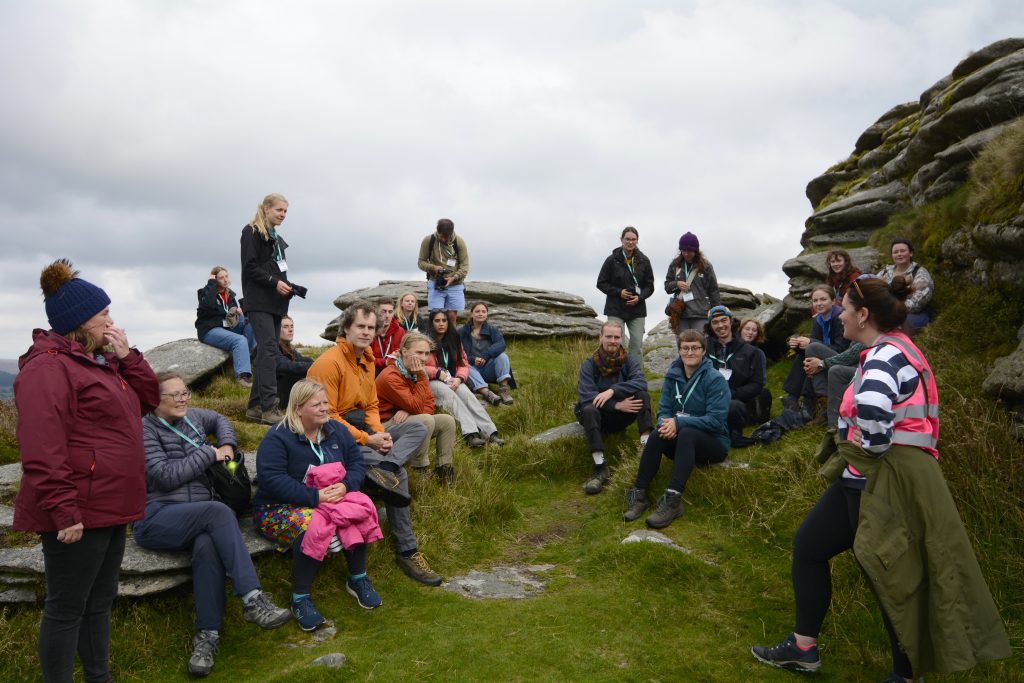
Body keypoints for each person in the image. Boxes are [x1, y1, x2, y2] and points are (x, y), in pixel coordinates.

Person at [751, 275, 1011, 680]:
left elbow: (873, 412)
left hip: (878, 476)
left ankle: (904, 674)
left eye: (845, 309)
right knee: (810, 545)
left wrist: (867, 447)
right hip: (866, 475)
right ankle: (803, 648)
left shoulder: (882, 357)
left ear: (863, 315)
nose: (840, 316)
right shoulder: (898, 347)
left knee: (885, 571)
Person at [13, 259, 160, 683]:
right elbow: (42, 448)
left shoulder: (99, 363)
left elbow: (148, 400)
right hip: (78, 509)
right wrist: (64, 511)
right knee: (66, 608)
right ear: (79, 321)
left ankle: (99, 677)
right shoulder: (48, 368)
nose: (111, 322)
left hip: (110, 504)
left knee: (99, 601)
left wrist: (128, 357)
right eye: (103, 315)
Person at [134, 373, 290, 676]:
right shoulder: (144, 430)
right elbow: (165, 476)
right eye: (174, 395)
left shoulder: (193, 418)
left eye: (185, 392)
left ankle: (207, 636)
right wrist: (208, 453)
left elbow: (219, 419)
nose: (182, 399)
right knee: (218, 512)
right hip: (158, 517)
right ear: (154, 399)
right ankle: (252, 598)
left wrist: (227, 444)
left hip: (197, 518)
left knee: (206, 546)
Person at [306, 300, 443, 586]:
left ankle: (385, 466)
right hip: (332, 439)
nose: (367, 332)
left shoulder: (367, 359)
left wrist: (380, 435)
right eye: (360, 326)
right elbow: (327, 418)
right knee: (400, 475)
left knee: (418, 427)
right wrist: (368, 439)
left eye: (371, 327)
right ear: (346, 328)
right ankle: (407, 551)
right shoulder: (329, 363)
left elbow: (370, 405)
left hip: (362, 431)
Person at [254, 380, 385, 632]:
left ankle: (358, 579)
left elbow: (357, 464)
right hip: (278, 507)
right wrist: (315, 497)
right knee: (312, 524)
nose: (325, 408)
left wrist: (346, 486)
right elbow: (272, 480)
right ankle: (300, 598)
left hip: (331, 499)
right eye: (317, 405)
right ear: (298, 408)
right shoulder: (278, 437)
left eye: (326, 402)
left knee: (360, 509)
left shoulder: (336, 430)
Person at [623, 330, 730, 528]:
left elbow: (716, 421)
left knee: (687, 433)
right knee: (657, 434)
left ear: (703, 351)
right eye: (685, 348)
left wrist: (679, 423)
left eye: (695, 348)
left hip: (713, 443)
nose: (690, 352)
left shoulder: (715, 379)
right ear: (679, 351)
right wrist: (666, 424)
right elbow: (664, 410)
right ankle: (639, 495)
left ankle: (673, 501)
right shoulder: (672, 376)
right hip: (681, 441)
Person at [575, 320, 653, 494]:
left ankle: (645, 449)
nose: (613, 341)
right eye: (608, 336)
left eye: (616, 337)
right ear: (600, 337)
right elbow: (587, 397)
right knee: (588, 409)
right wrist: (616, 405)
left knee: (642, 395)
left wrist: (612, 391)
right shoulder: (589, 365)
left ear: (621, 339)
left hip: (622, 416)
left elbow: (641, 382)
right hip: (599, 418)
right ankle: (600, 467)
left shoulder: (629, 361)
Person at [376, 332, 459, 484]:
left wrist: (409, 411)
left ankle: (444, 469)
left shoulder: (417, 373)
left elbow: (429, 404)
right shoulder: (391, 376)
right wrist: (421, 379)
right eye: (419, 352)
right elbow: (416, 406)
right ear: (404, 351)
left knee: (447, 421)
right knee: (425, 420)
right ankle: (419, 468)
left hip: (405, 421)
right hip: (384, 427)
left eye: (427, 353)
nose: (423, 358)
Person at [241, 192, 294, 424]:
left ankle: (255, 406)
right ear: (266, 209)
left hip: (275, 303)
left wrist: (288, 287)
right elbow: (249, 267)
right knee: (269, 350)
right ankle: (270, 407)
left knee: (267, 351)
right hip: (258, 302)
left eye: (285, 211)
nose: (283, 214)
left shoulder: (276, 238)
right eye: (279, 210)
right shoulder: (251, 231)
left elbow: (278, 270)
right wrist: (274, 282)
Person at [424, 308, 504, 448]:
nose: (441, 324)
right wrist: (436, 373)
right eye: (437, 321)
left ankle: (491, 433)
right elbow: (417, 365)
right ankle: (471, 434)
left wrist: (459, 379)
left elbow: (463, 363)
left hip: (453, 378)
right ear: (431, 323)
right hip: (432, 381)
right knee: (450, 395)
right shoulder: (424, 341)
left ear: (448, 322)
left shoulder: (454, 338)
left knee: (468, 396)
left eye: (444, 320)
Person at [782, 285, 851, 424]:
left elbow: (841, 349)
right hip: (824, 355)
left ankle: (812, 401)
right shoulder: (818, 319)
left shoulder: (840, 318)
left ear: (833, 301)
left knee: (812, 348)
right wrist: (798, 346)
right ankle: (793, 399)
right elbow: (812, 347)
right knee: (802, 356)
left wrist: (810, 342)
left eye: (823, 299)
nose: (819, 303)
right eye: (815, 300)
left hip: (842, 359)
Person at [705, 306, 770, 437]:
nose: (720, 325)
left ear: (731, 321)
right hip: (710, 399)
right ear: (710, 326)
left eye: (724, 320)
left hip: (737, 400)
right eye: (715, 322)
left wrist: (732, 393)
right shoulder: (702, 348)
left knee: (734, 406)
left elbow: (757, 384)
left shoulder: (752, 352)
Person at [596, 226, 656, 359]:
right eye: (627, 239)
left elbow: (650, 286)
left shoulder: (644, 260)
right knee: (616, 344)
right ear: (621, 240)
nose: (630, 242)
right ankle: (615, 372)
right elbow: (601, 283)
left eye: (633, 239)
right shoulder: (612, 259)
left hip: (637, 309)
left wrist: (640, 297)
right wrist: (619, 292)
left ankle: (636, 372)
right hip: (615, 308)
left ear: (637, 241)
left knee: (637, 346)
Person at [195, 266, 256, 387]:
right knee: (240, 340)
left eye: (226, 276)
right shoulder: (205, 292)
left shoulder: (230, 295)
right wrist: (211, 283)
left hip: (227, 328)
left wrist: (239, 312)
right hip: (210, 330)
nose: (225, 280)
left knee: (251, 322)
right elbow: (208, 304)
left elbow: (230, 317)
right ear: (215, 279)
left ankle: (248, 359)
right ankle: (242, 377)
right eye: (221, 278)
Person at [458, 301, 517, 406]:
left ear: (486, 314)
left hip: (488, 369)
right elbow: (457, 351)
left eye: (483, 311)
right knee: (464, 365)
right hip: (472, 370)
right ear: (471, 314)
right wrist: (472, 359)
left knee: (502, 356)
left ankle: (503, 390)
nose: (480, 314)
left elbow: (501, 344)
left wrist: (486, 355)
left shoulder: (492, 330)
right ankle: (487, 393)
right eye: (477, 311)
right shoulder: (462, 331)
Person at [664, 231, 720, 333]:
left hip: (700, 314)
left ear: (696, 250)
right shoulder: (675, 264)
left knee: (701, 341)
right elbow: (667, 287)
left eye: (689, 251)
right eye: (683, 250)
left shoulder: (706, 266)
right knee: (683, 342)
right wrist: (676, 284)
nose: (686, 254)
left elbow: (713, 291)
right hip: (680, 314)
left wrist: (717, 312)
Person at [418, 218, 469, 328]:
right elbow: (421, 262)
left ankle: (452, 339)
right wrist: (432, 267)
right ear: (437, 231)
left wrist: (454, 277)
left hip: (455, 284)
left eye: (446, 237)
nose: (443, 239)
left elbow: (465, 266)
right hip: (436, 283)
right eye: (441, 236)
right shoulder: (429, 240)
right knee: (436, 316)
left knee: (451, 316)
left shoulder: (459, 242)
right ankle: (434, 339)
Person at [877, 237, 934, 334]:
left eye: (902, 251)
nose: (899, 254)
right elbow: (873, 289)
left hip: (913, 314)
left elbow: (918, 302)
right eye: (895, 252)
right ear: (892, 256)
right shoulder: (885, 272)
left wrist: (891, 309)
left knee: (893, 327)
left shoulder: (920, 273)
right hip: (886, 311)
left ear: (911, 253)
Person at [276, 315, 313, 408]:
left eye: (292, 326)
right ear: (276, 329)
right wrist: (315, 365)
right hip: (276, 395)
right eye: (285, 327)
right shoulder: (272, 347)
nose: (290, 330)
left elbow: (302, 361)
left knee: (307, 361)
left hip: (287, 391)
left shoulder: (289, 348)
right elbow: (286, 366)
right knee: (297, 369)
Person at [371, 297, 405, 376]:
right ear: (376, 312)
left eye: (390, 312)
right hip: (372, 371)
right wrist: (385, 362)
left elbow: (404, 356)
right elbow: (365, 359)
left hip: (394, 370)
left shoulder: (400, 331)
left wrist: (398, 355)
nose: (387, 315)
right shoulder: (369, 330)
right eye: (383, 311)